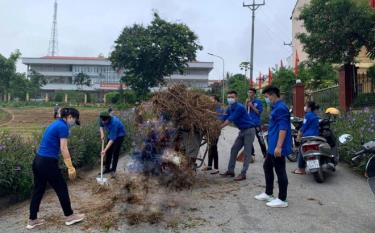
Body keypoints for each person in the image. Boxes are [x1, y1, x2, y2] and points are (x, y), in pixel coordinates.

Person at [27, 108, 85, 229]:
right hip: (48, 162)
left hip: (38, 160)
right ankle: (69, 216)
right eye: (74, 120)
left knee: (38, 189)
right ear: (69, 117)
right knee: (61, 188)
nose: (74, 123)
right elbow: (63, 148)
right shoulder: (63, 127)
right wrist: (70, 166)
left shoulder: (56, 123)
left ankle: (32, 220)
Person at [255, 86, 292, 208]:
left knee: (280, 170)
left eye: (266, 97)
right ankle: (268, 193)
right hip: (273, 145)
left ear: (273, 95)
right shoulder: (276, 107)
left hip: (277, 146)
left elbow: (283, 128)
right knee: (267, 166)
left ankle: (282, 199)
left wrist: (279, 147)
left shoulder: (281, 108)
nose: (266, 99)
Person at [220, 91, 256, 181]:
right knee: (234, 149)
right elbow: (223, 118)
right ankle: (230, 171)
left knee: (247, 153)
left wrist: (218, 128)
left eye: (232, 97)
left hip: (249, 130)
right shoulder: (229, 108)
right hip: (242, 131)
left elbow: (229, 120)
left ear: (236, 98)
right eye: (228, 97)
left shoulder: (239, 107)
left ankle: (243, 174)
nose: (230, 99)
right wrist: (213, 124)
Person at [292, 101, 320, 175]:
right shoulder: (315, 115)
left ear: (309, 108)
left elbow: (304, 126)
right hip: (316, 136)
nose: (305, 107)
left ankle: (301, 169)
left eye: (306, 106)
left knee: (301, 151)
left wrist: (299, 133)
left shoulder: (307, 115)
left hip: (307, 136)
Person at [99, 111, 126, 176]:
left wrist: (104, 150)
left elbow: (112, 139)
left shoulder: (114, 123)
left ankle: (113, 170)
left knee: (115, 152)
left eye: (105, 122)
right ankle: (107, 169)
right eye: (102, 121)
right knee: (108, 152)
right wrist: (102, 133)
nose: (103, 122)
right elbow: (101, 126)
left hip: (119, 135)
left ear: (108, 119)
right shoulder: (102, 117)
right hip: (111, 134)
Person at [202, 95, 223, 174]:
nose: (210, 101)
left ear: (216, 100)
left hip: (215, 130)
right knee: (210, 147)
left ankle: (216, 168)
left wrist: (210, 113)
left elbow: (219, 118)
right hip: (209, 130)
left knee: (213, 147)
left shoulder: (219, 108)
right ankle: (210, 165)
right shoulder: (210, 108)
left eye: (211, 99)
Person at [246, 88, 267, 161]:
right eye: (248, 92)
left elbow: (259, 112)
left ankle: (265, 154)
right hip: (249, 124)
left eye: (251, 92)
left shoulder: (258, 102)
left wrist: (252, 106)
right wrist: (246, 105)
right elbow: (245, 112)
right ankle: (252, 155)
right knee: (248, 140)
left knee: (261, 140)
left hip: (257, 124)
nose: (249, 94)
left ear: (254, 94)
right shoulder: (247, 101)